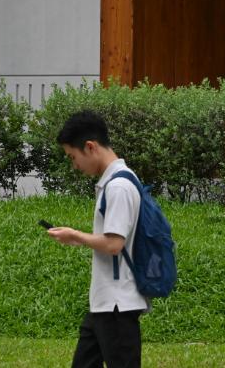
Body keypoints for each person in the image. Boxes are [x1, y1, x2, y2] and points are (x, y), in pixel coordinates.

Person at [47, 110, 149, 368]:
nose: (74, 165)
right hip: (105, 304)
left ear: (90, 147)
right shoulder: (115, 182)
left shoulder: (118, 187)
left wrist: (75, 235)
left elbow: (114, 244)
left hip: (117, 305)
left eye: (73, 157)